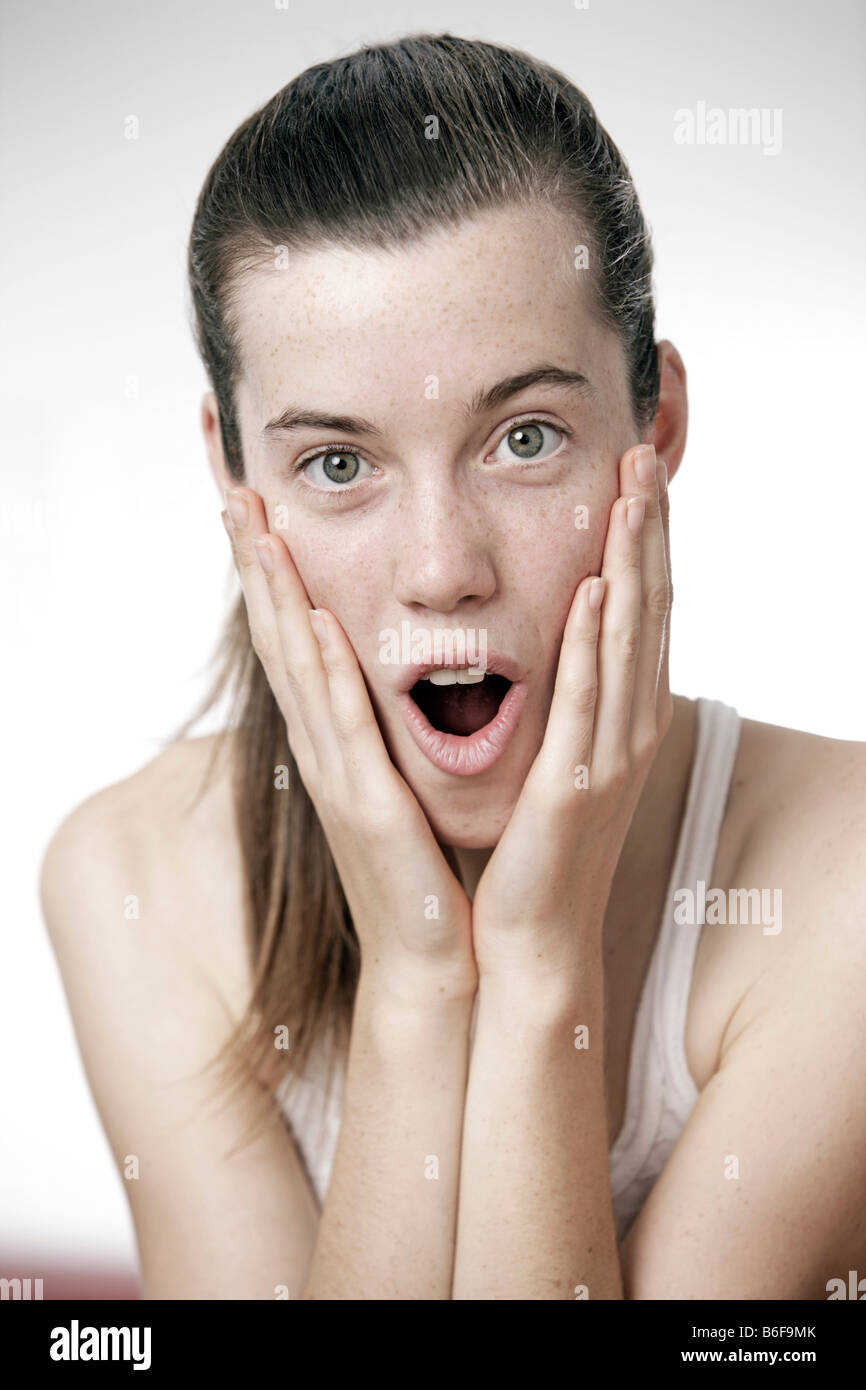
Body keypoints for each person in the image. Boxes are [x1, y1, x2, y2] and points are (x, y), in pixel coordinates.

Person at [40, 33, 866, 1300]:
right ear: (232, 473)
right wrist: (423, 976)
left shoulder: (842, 885)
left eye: (523, 437)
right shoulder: (134, 876)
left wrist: (538, 962)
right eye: (335, 462)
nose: (441, 567)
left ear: (656, 427)